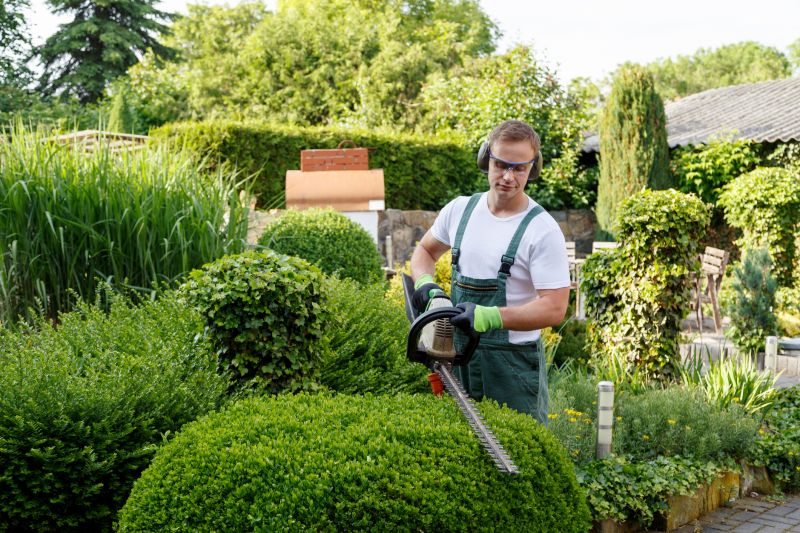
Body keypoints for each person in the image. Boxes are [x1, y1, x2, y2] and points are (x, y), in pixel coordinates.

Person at [409, 119, 570, 424]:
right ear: (487, 160)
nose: (508, 176)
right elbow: (425, 252)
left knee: (521, 458)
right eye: (501, 165)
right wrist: (428, 287)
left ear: (532, 169)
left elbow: (555, 307)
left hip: (511, 369)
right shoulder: (459, 211)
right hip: (457, 359)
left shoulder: (541, 229)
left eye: (519, 168)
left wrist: (490, 316)